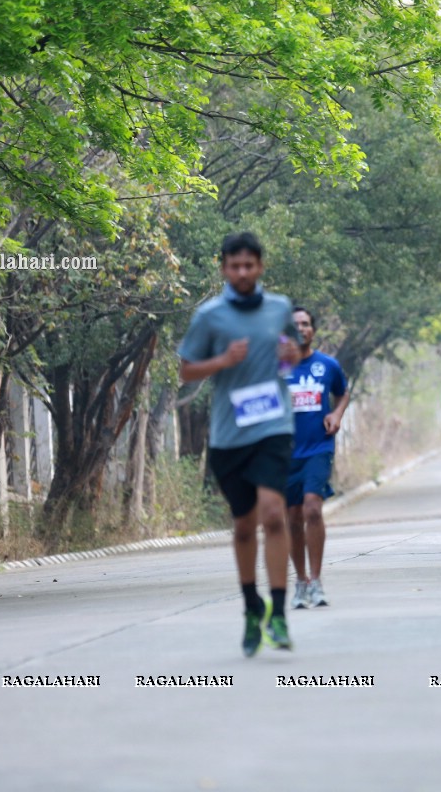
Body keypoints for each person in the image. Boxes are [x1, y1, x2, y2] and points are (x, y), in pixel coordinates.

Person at [177, 232, 301, 656]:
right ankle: (252, 606)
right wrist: (222, 361)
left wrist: (291, 355)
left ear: (260, 266)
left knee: (273, 515)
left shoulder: (280, 308)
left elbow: (293, 357)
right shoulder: (210, 316)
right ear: (224, 269)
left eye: (250, 265)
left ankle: (280, 613)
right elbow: (186, 371)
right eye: (235, 266)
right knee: (245, 524)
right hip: (230, 435)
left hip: (273, 427)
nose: (243, 272)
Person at [285, 307, 350, 609]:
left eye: (306, 324)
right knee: (293, 518)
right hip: (285, 454)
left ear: (313, 330)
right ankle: (300, 582)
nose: (301, 328)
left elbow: (343, 393)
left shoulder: (328, 365)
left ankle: (317, 580)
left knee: (312, 509)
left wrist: (336, 414)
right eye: (295, 324)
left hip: (318, 449)